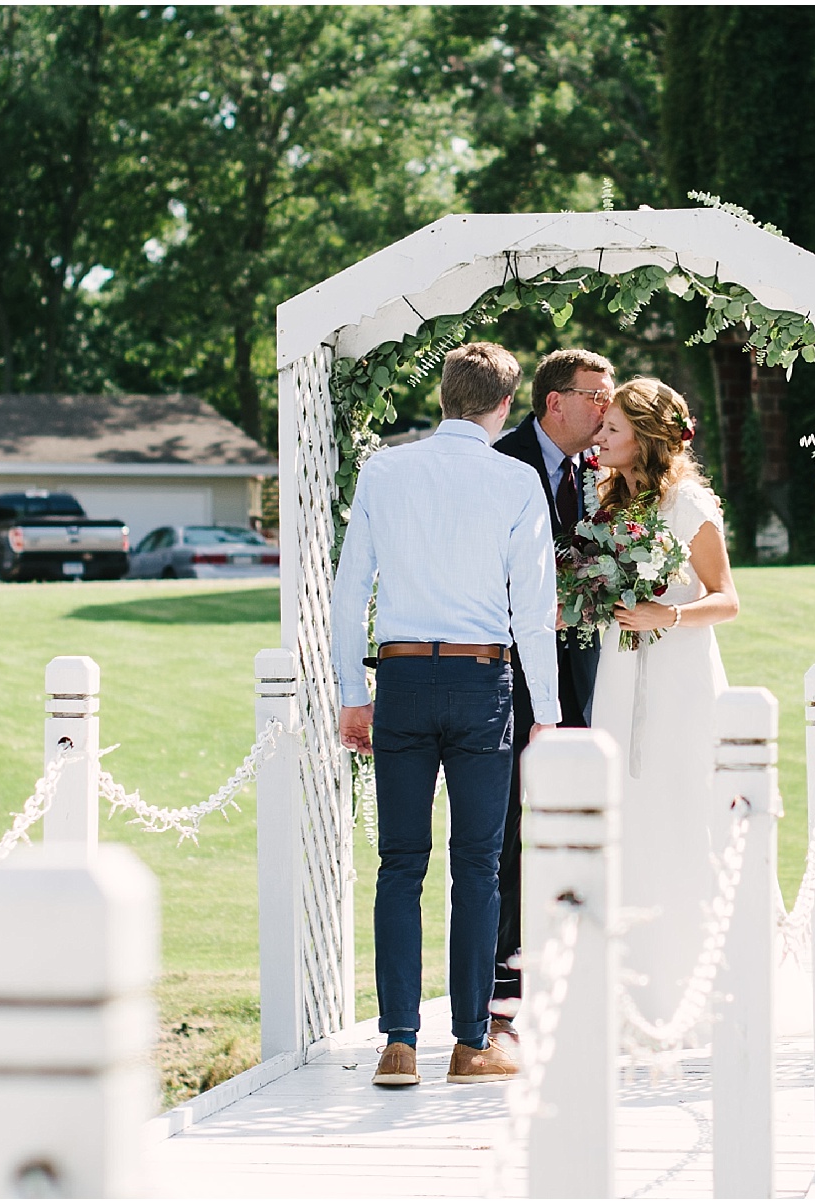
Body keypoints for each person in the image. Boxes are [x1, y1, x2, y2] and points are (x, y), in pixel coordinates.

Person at [332, 341, 560, 1089]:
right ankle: (470, 1044)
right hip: (480, 680)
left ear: (443, 396)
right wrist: (549, 713)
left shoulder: (385, 470)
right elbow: (533, 606)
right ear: (505, 406)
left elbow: (347, 593)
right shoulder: (518, 479)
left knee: (400, 864)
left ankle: (398, 1043)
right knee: (478, 867)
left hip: (398, 678)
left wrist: (350, 696)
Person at [585, 378, 741, 1028]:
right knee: (624, 818)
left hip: (680, 682)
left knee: (681, 818)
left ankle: (692, 992)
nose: (600, 438)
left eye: (612, 429)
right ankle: (627, 996)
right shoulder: (609, 501)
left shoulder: (688, 505)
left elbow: (727, 598)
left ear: (645, 437)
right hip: (619, 681)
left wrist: (666, 614)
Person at [487, 347, 613, 1051]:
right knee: (506, 827)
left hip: (590, 675)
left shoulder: (606, 470)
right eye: (596, 395)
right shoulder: (501, 463)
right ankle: (506, 983)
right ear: (554, 401)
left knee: (582, 819)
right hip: (508, 674)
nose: (607, 408)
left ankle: (575, 960)